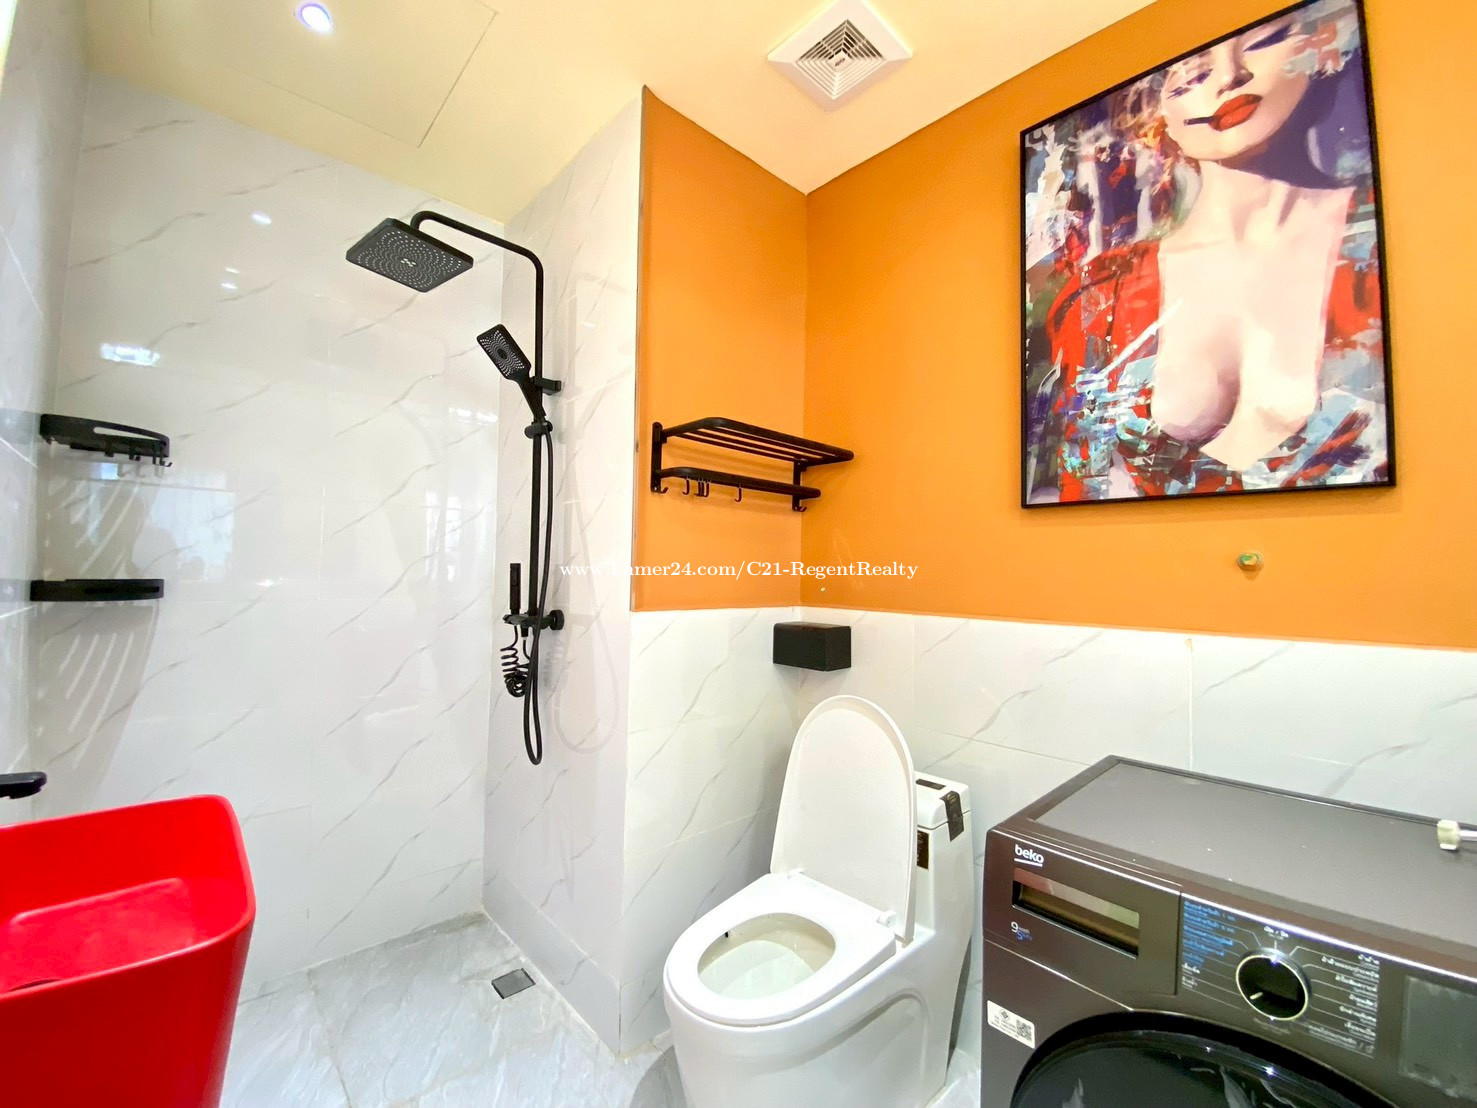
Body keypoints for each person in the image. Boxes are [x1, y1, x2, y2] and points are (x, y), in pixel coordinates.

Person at [1036, 2, 1387, 502]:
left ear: (1319, 52)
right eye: (1191, 76)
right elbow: (1085, 486)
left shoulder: (1381, 240)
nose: (1229, 78)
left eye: (1264, 43)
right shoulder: (1104, 294)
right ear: (1156, 117)